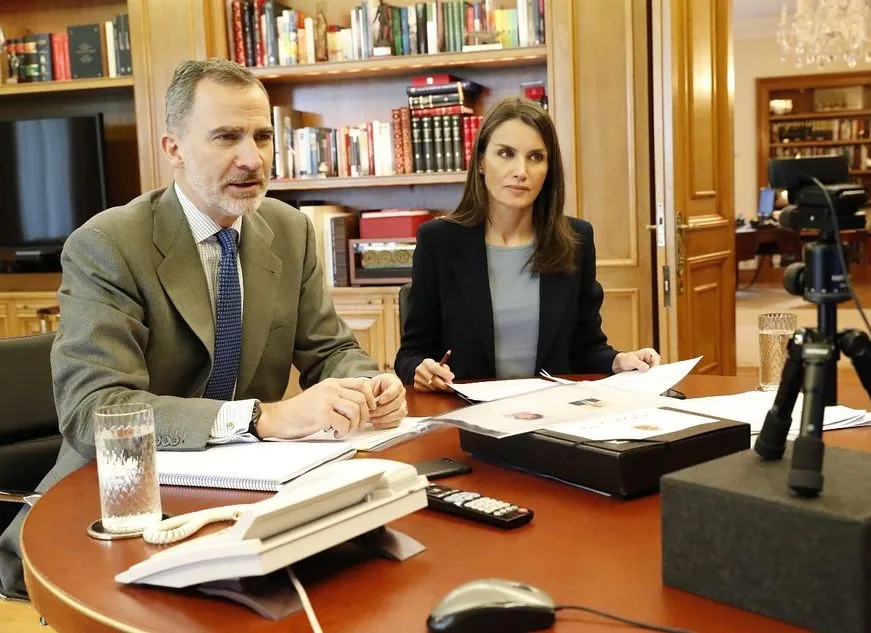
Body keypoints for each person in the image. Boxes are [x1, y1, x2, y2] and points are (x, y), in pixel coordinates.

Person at [0, 58, 407, 597]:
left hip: (244, 494)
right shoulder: (108, 244)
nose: (252, 158)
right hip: (117, 508)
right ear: (174, 149)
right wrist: (264, 418)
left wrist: (366, 386)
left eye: (263, 136)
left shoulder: (289, 229)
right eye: (226, 137)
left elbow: (329, 348)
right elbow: (96, 409)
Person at [394, 97, 660, 391]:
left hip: (551, 409)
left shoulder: (576, 239)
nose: (521, 170)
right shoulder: (438, 241)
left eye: (535, 157)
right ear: (480, 161)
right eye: (506, 153)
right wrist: (421, 369)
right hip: (466, 411)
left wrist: (619, 361)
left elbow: (585, 348)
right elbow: (410, 354)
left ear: (549, 169)